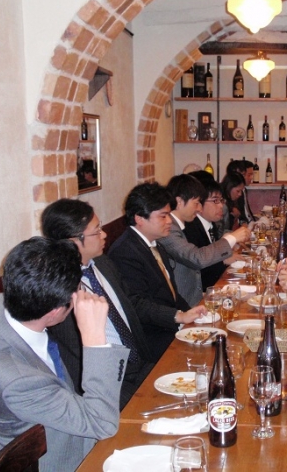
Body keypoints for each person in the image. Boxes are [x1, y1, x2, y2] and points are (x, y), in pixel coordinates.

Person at [0, 237, 129, 472]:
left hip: (67, 417)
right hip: (59, 460)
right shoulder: (17, 382)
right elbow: (102, 424)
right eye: (78, 290)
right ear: (55, 313)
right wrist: (95, 339)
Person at [41, 198, 154, 409]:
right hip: (105, 380)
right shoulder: (59, 289)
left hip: (138, 362)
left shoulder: (102, 262)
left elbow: (130, 303)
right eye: (96, 232)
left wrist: (178, 315)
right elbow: (74, 355)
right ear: (73, 241)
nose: (104, 235)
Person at [108, 183, 206, 361]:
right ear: (139, 218)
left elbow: (170, 293)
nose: (169, 221)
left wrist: (192, 313)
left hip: (169, 327)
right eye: (163, 216)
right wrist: (179, 316)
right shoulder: (125, 252)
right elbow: (137, 304)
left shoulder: (154, 244)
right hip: (152, 339)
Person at [160, 174, 249, 307]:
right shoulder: (170, 228)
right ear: (179, 201)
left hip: (194, 298)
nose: (199, 208)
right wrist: (232, 238)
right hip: (184, 305)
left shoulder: (179, 225)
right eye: (196, 203)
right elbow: (197, 258)